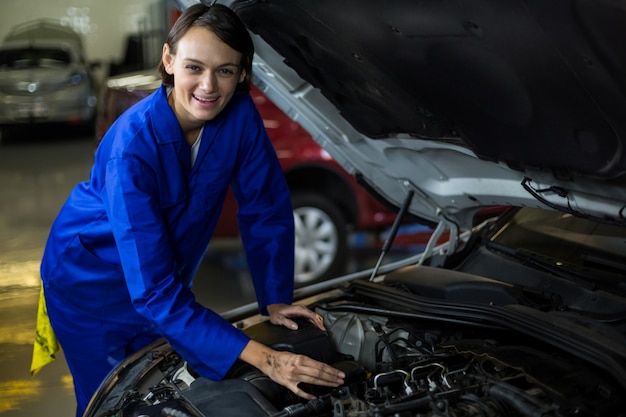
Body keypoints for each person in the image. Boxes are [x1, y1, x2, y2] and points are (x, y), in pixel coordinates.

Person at [39, 4, 345, 416]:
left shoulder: (239, 115)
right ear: (169, 60)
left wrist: (273, 298)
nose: (208, 86)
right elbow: (154, 292)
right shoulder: (132, 148)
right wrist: (267, 359)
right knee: (111, 400)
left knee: (162, 387)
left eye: (225, 70)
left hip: (161, 275)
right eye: (194, 67)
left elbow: (265, 206)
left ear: (241, 74)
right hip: (89, 283)